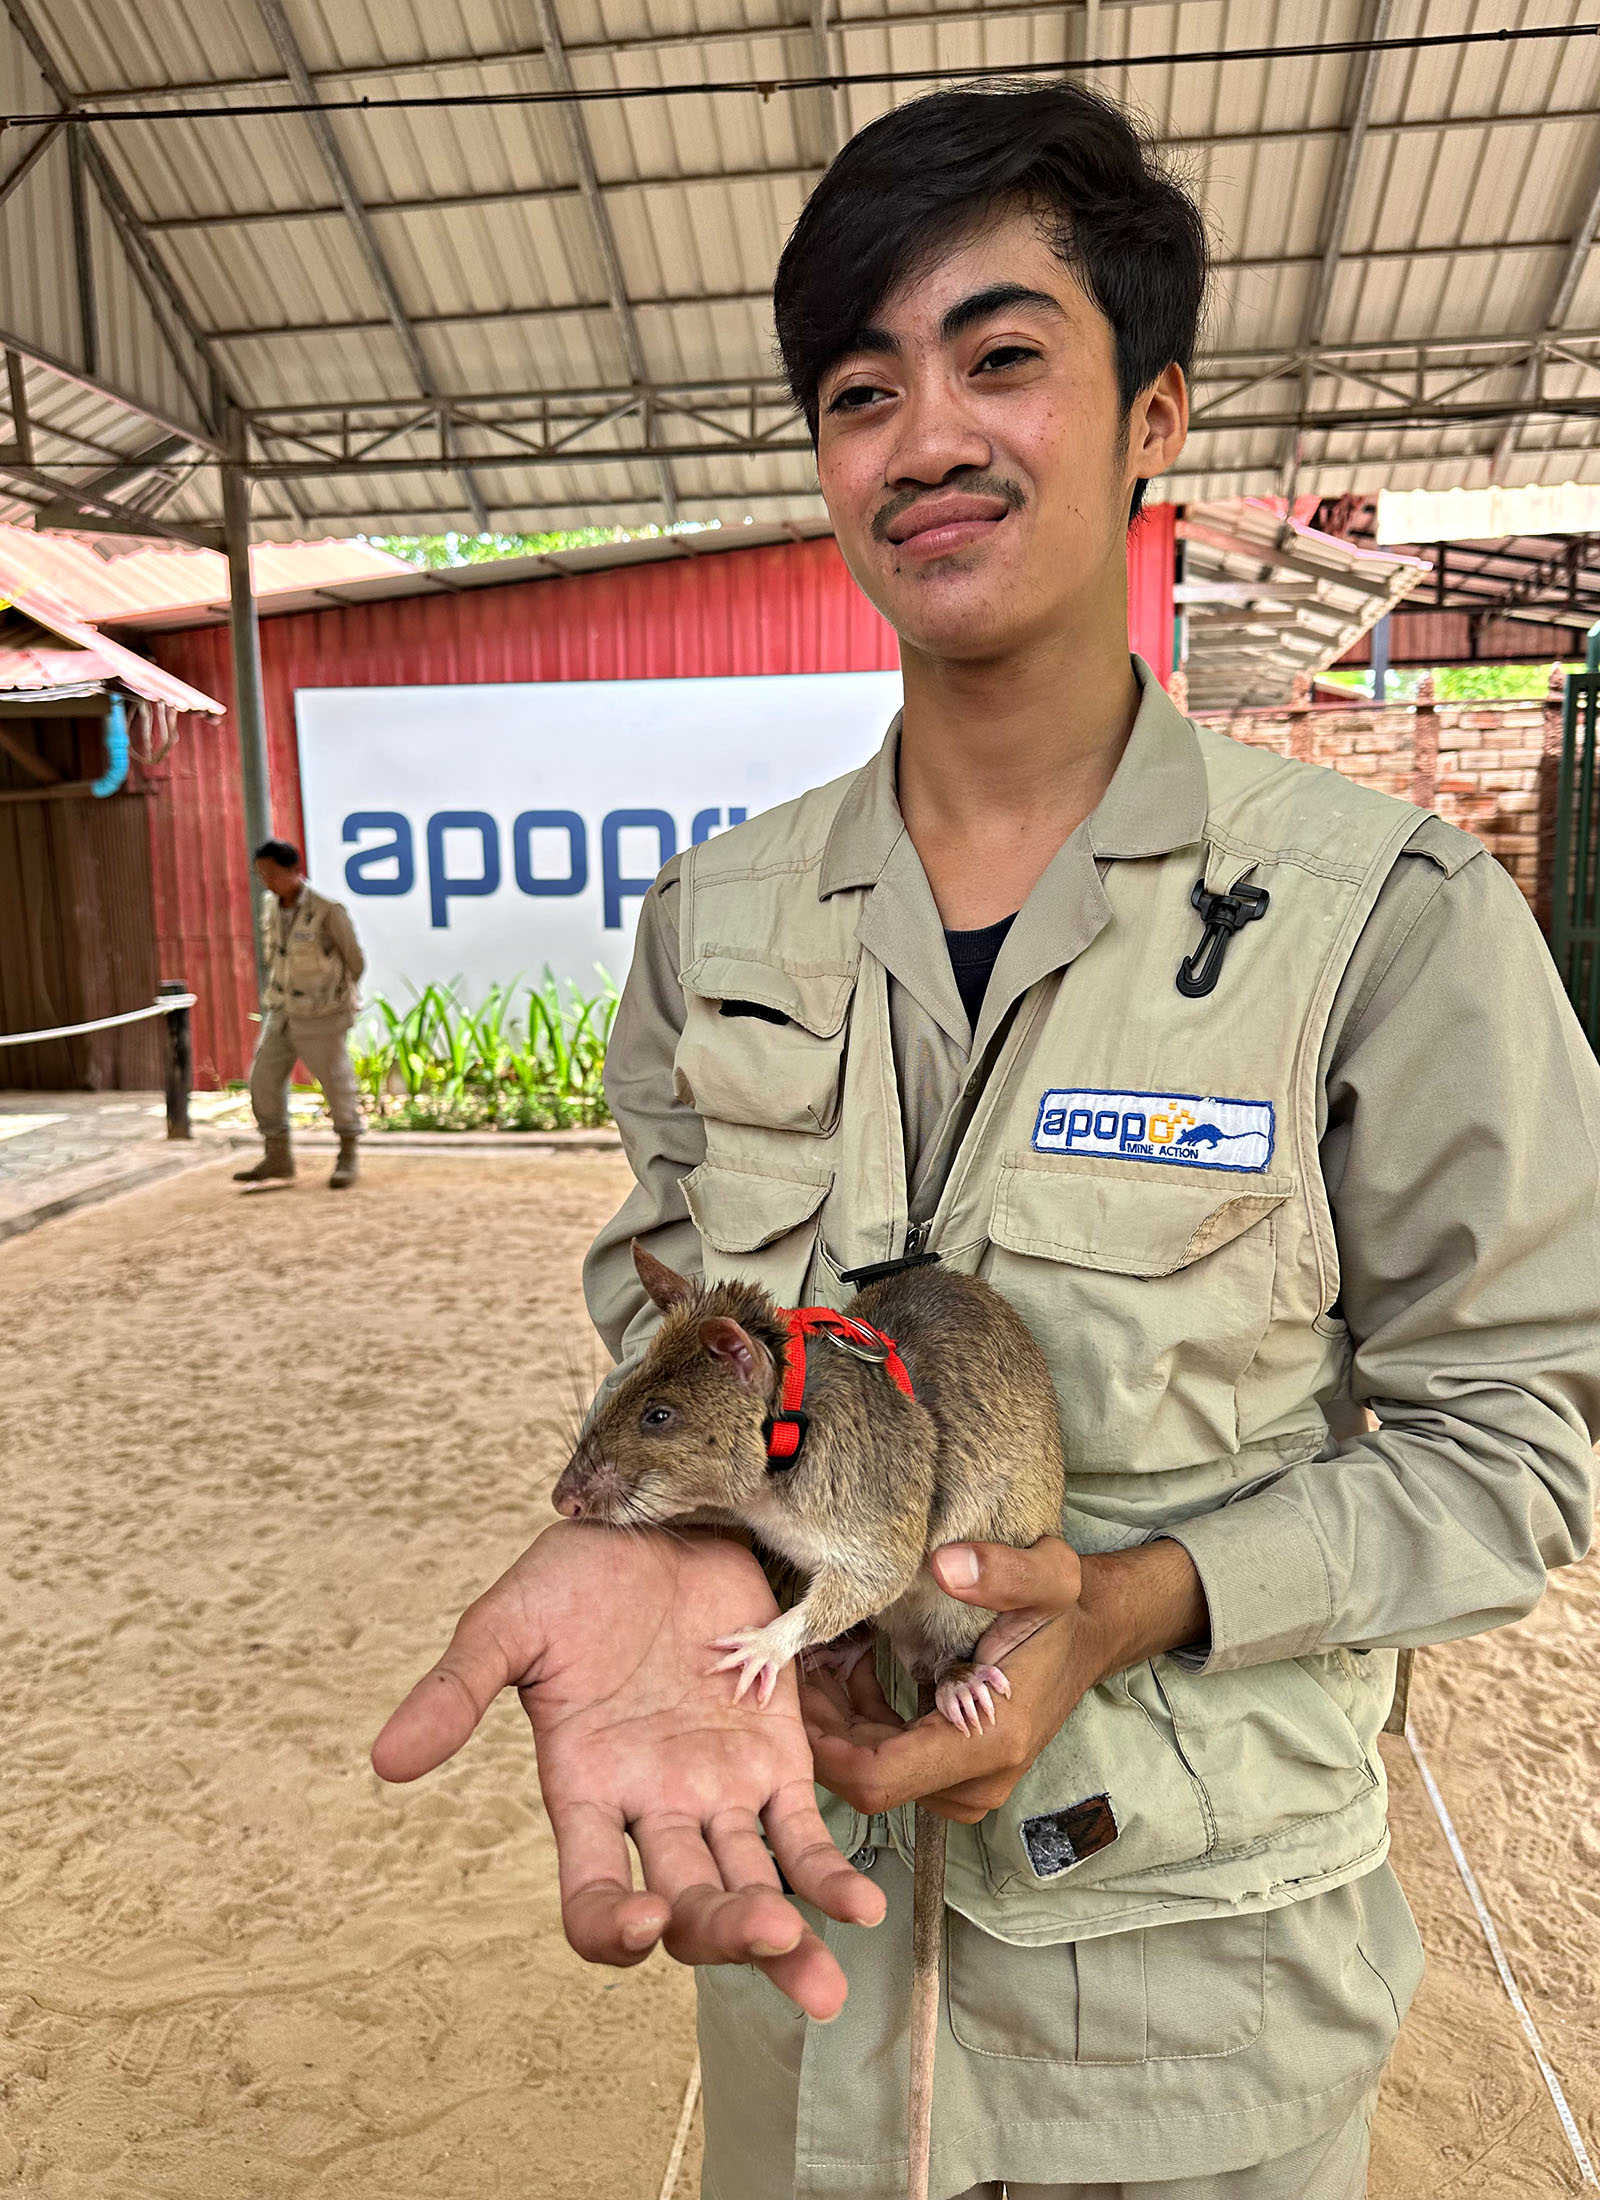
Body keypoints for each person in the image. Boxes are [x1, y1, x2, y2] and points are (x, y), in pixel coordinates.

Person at [372, 81, 1600, 2200]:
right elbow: (672, 1312)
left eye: (1000, 356)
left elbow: (1524, 1437)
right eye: (861, 391)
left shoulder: (1381, 922)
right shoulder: (715, 920)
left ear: (1152, 415)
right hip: (809, 1982)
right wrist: (687, 1539)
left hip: (1192, 2008)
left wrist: (1128, 1602)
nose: (924, 436)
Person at [234, 836, 366, 1190]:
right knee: (262, 1078)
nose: (267, 882)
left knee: (335, 1082)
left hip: (323, 1014)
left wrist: (335, 1000)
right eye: (262, 875)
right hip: (281, 1009)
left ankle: (348, 1154)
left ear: (295, 870)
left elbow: (355, 961)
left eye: (273, 874)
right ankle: (277, 1157)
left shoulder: (327, 911)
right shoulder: (270, 906)